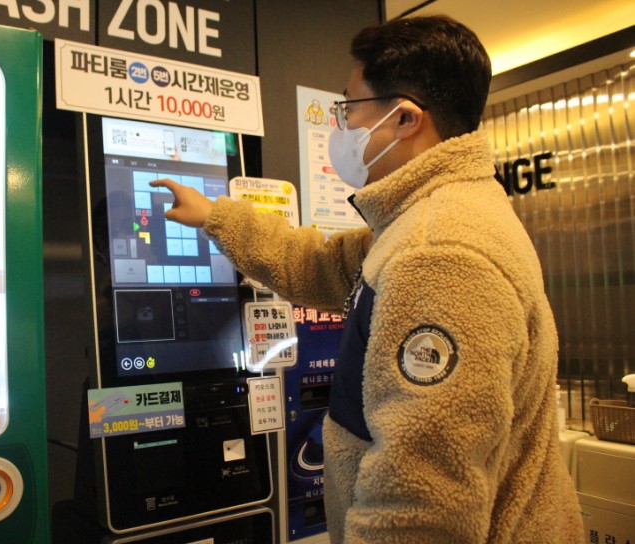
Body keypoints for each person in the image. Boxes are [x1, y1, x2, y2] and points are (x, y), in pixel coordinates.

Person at [151, 14, 583, 544]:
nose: (341, 125)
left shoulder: (439, 252)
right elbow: (321, 265)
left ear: (405, 119)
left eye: (349, 107)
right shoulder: (428, 218)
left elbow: (421, 502)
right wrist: (217, 217)